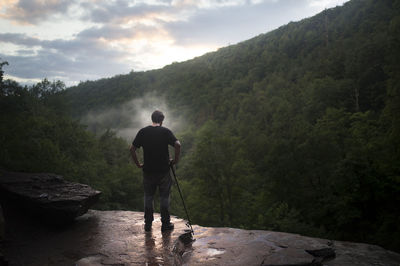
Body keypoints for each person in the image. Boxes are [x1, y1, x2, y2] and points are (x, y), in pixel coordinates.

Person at [130, 110, 181, 232]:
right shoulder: (165, 132)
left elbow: (132, 149)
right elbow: (178, 144)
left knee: (148, 197)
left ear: (152, 119)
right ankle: (165, 224)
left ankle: (148, 224)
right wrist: (175, 160)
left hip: (148, 171)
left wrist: (138, 164)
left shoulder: (143, 132)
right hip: (163, 170)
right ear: (162, 121)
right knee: (164, 197)